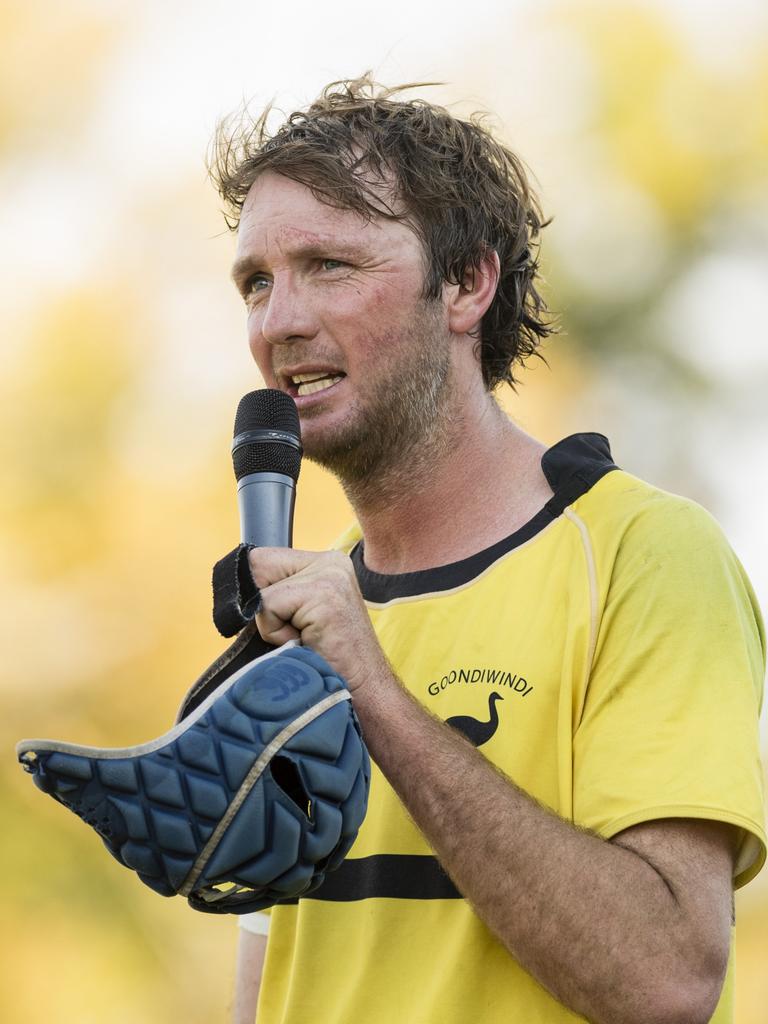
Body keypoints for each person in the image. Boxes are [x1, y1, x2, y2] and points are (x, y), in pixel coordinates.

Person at [207, 76, 766, 1024]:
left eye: (331, 266)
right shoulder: (297, 619)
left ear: (467, 283)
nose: (277, 322)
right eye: (257, 281)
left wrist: (372, 693)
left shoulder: (642, 554)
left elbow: (666, 984)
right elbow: (270, 995)